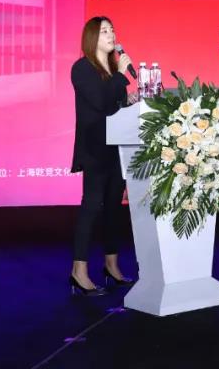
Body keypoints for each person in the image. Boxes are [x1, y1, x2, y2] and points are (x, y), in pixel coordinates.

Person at [69, 16, 137, 295]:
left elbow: (112, 105)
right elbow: (99, 102)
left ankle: (111, 265)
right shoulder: (82, 68)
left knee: (112, 209)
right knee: (91, 206)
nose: (111, 35)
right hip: (95, 149)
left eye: (113, 29)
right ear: (92, 38)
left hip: (117, 148)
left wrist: (127, 101)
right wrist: (120, 75)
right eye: (105, 31)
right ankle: (79, 271)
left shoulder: (112, 69)